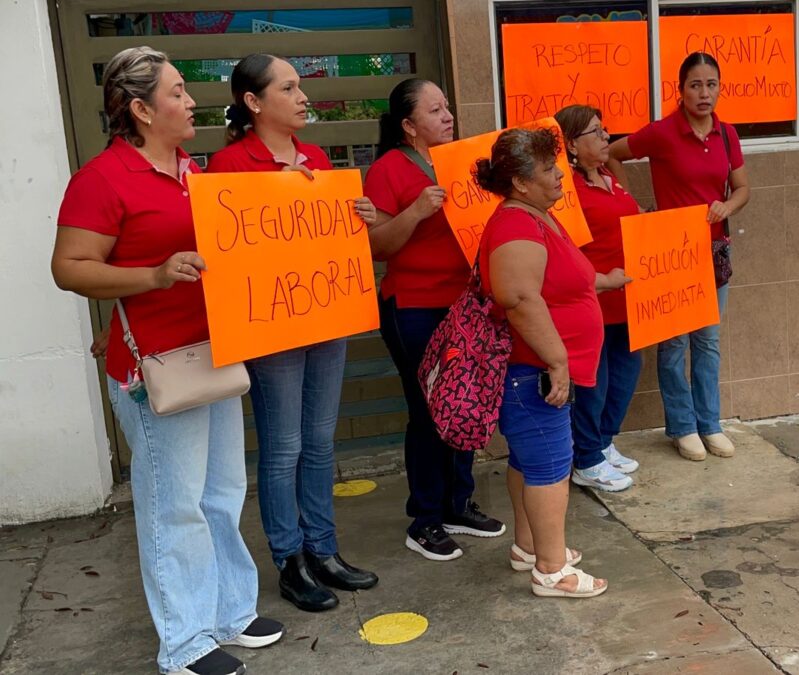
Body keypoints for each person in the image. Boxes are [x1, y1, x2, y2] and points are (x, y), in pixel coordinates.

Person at [51, 46, 282, 675]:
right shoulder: (102, 179)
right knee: (174, 503)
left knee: (223, 492)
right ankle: (184, 643)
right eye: (177, 92)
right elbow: (68, 268)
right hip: (155, 364)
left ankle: (231, 611)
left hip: (215, 352)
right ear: (140, 109)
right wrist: (152, 276)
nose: (190, 102)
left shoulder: (194, 174)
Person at [206, 54, 379, 613]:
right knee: (284, 447)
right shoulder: (230, 165)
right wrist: (273, 191)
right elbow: (220, 248)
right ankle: (289, 559)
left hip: (325, 315)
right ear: (254, 103)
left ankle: (324, 547)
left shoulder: (318, 157)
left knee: (321, 440)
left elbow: (326, 239)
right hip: (272, 325)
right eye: (289, 87)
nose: (303, 96)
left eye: (301, 86)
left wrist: (358, 214)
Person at [475, 127, 630, 597]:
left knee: (528, 461)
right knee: (549, 467)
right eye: (548, 169)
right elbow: (519, 297)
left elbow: (562, 281)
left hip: (534, 371)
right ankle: (551, 569)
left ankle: (528, 547)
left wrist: (603, 281)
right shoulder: (516, 225)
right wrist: (558, 359)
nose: (560, 174)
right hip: (532, 373)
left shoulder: (535, 216)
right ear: (521, 182)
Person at [364, 78, 505, 561]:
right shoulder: (388, 169)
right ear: (408, 126)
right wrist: (418, 211)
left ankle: (458, 504)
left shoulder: (464, 162)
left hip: (465, 304)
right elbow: (377, 246)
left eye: (448, 107)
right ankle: (424, 518)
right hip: (415, 304)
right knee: (429, 410)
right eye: (435, 110)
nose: (448, 116)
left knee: (465, 402)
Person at [609, 51, 751, 462]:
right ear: (681, 90)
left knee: (707, 342)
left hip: (713, 251)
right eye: (695, 85)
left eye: (711, 85)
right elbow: (613, 154)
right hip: (672, 253)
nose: (704, 93)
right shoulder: (663, 132)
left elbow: (742, 188)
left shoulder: (727, 134)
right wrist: (632, 205)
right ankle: (682, 426)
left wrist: (728, 206)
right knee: (673, 345)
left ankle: (710, 423)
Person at [554, 105, 643, 492]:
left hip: (627, 297)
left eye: (605, 130)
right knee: (595, 384)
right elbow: (563, 249)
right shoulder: (565, 189)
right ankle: (586, 458)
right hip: (593, 299)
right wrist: (599, 280)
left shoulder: (608, 174)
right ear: (572, 143)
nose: (606, 137)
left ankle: (604, 442)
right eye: (596, 132)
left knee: (626, 374)